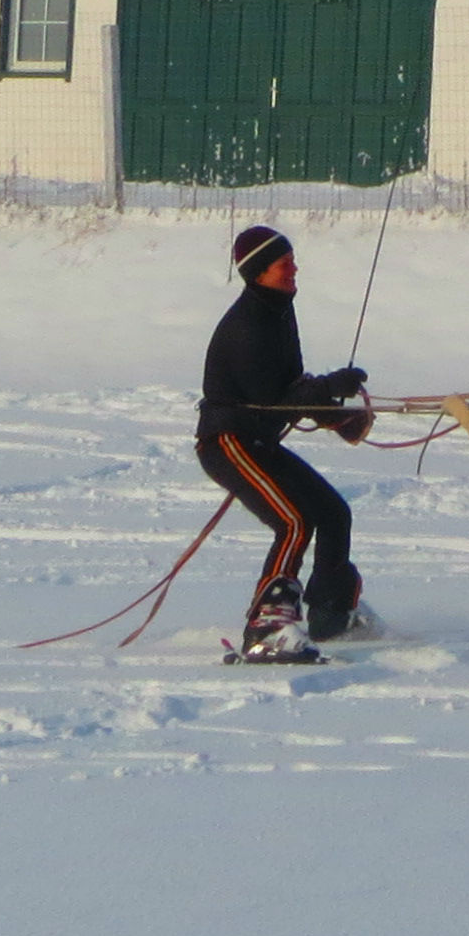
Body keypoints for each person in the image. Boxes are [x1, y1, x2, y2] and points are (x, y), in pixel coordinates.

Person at [196, 224, 373, 663]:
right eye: (285, 263)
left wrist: (338, 417)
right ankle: (267, 624)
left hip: (257, 439)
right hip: (230, 442)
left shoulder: (277, 310)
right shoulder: (247, 326)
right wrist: (330, 388)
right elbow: (272, 403)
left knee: (333, 512)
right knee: (293, 522)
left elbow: (290, 388)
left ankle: (331, 615)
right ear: (259, 272)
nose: (295, 269)